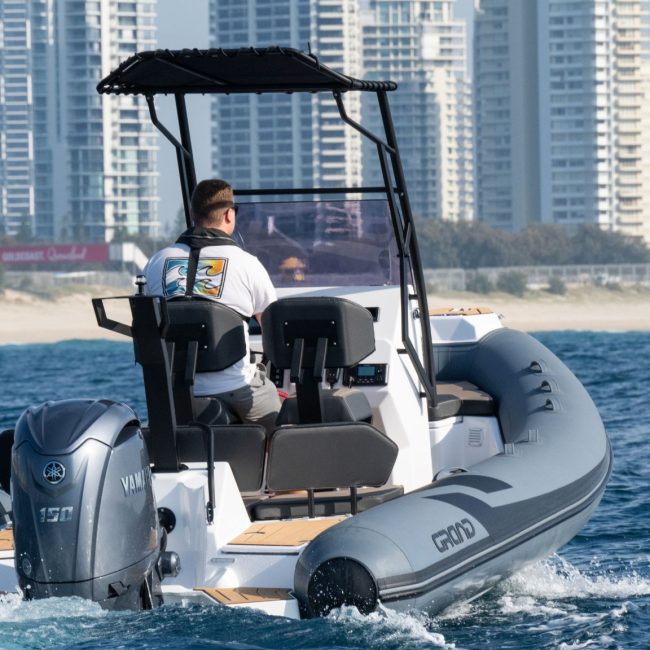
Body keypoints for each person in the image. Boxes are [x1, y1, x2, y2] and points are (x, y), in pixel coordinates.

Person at [144, 179, 281, 433]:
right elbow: (274, 330)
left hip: (176, 394)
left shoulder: (156, 262)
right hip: (237, 390)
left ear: (193, 214)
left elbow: (148, 325)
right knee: (283, 426)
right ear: (229, 214)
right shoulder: (247, 264)